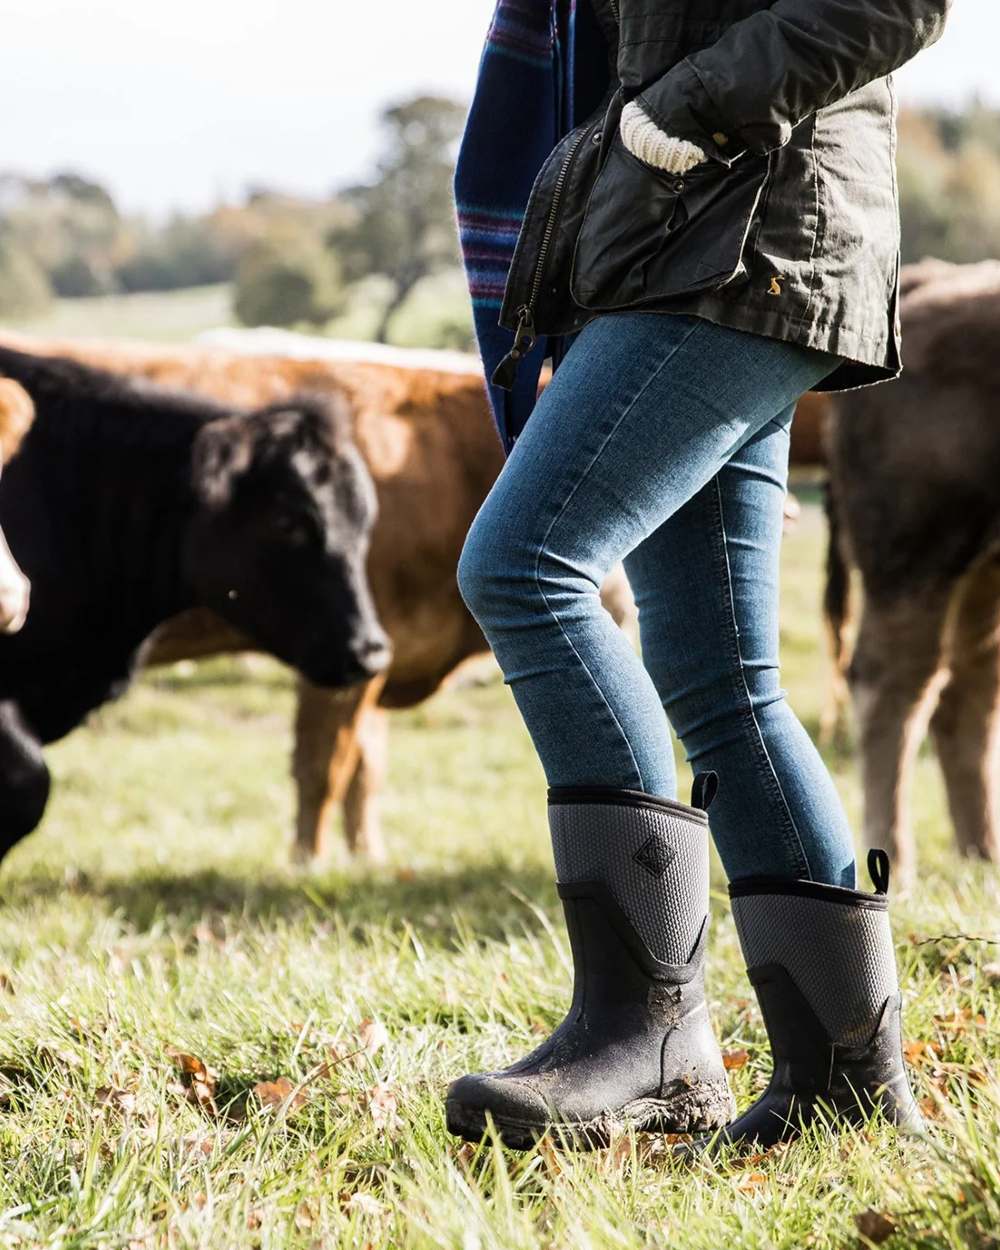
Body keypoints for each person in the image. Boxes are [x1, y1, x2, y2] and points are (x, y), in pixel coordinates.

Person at [446, 0, 952, 1150]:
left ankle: (645, 1040)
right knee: (720, 673)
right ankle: (844, 1089)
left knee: (527, 567)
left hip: (746, 217)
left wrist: (680, 117)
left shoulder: (701, 143)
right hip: (679, 224)